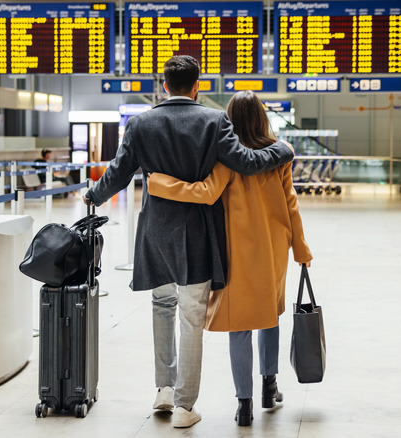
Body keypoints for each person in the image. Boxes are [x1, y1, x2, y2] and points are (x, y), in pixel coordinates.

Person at [83, 55, 294, 428]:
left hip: (156, 232)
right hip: (196, 231)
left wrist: (93, 196)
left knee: (161, 306)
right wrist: (282, 150)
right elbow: (245, 162)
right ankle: (184, 406)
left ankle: (163, 389)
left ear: (165, 85)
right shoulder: (214, 121)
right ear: (197, 86)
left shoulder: (141, 123)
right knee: (192, 315)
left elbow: (118, 173)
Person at [146, 90, 313, 427]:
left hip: (234, 250)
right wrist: (300, 248)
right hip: (272, 249)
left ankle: (245, 404)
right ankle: (270, 385)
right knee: (269, 315)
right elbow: (290, 203)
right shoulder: (280, 154)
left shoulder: (226, 158)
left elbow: (205, 193)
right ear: (263, 117)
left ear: (230, 120)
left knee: (240, 325)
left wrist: (161, 184)